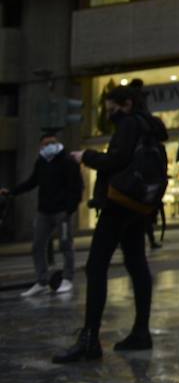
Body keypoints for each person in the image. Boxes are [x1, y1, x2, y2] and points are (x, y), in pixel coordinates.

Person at [54, 80, 157, 362]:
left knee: (96, 266)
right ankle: (141, 331)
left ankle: (90, 338)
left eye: (113, 109)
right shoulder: (148, 126)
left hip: (118, 204)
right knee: (137, 264)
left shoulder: (129, 125)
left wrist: (85, 156)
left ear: (127, 105)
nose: (110, 114)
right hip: (138, 205)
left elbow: (118, 160)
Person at [1, 132, 84, 296]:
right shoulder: (42, 162)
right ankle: (42, 281)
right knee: (38, 245)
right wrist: (12, 192)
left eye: (52, 143)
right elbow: (32, 181)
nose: (49, 146)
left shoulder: (67, 161)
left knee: (65, 245)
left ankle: (67, 279)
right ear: (41, 147)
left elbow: (77, 187)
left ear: (57, 143)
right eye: (45, 144)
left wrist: (69, 209)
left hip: (62, 211)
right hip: (44, 211)